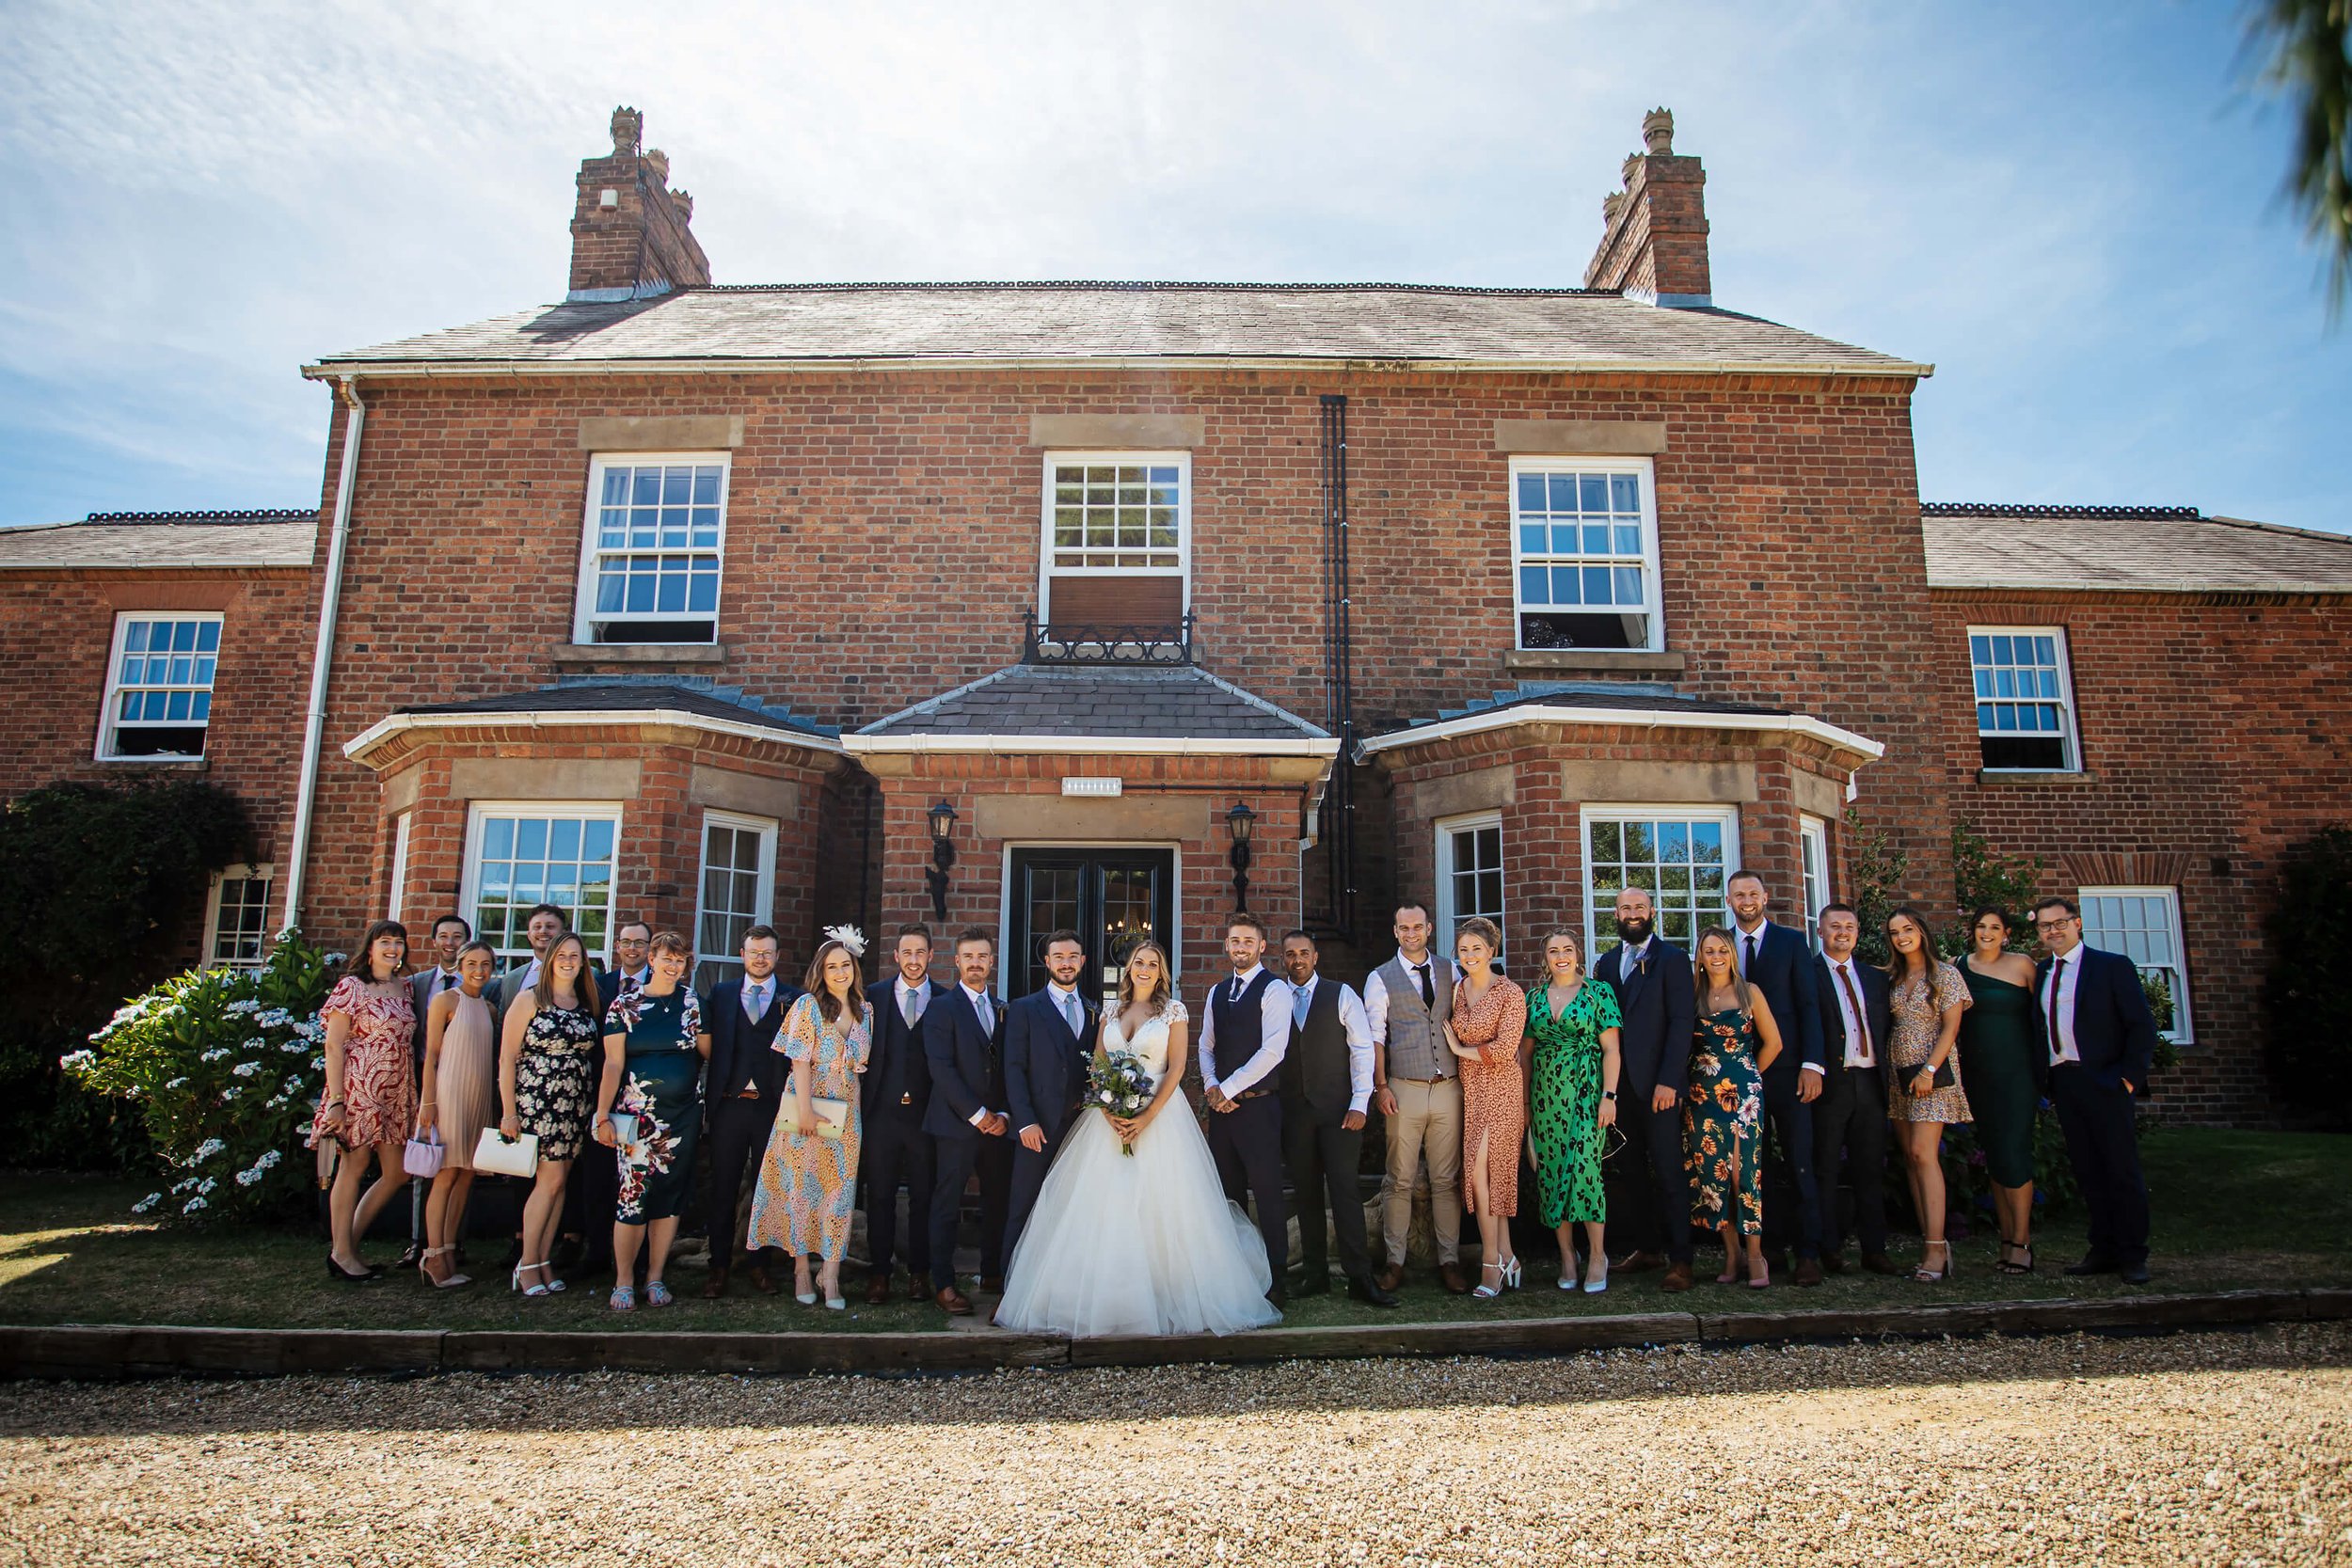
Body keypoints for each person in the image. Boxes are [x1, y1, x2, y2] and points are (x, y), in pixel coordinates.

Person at [994, 940, 1283, 1338]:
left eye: (1153, 963)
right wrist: (1110, 1106)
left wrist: (1145, 1116)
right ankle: (1098, 1297)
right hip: (1108, 1120)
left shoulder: (1173, 1011)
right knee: (1100, 1209)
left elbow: (1178, 1067)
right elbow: (1098, 1062)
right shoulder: (1109, 1010)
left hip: (1160, 1119)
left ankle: (1166, 1294)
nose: (1145, 969)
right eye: (1138, 963)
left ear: (1161, 972)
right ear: (1128, 969)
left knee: (1161, 1210)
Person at [2033, 895, 2158, 1285]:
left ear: (2078, 923)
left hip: (2105, 1080)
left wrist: (2128, 1079)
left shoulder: (2110, 967)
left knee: (2120, 1170)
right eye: (2045, 926)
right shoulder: (2041, 973)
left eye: (2060, 923)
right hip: (2065, 1082)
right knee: (2088, 1170)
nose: (2053, 931)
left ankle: (2133, 1254)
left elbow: (2141, 1025)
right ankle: (2102, 1248)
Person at [747, 931, 872, 1309]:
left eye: (845, 965)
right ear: (821, 971)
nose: (839, 972)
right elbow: (798, 1062)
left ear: (854, 969)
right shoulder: (807, 1006)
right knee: (800, 1193)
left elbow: (860, 1071)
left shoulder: (866, 1009)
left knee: (838, 1196)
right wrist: (804, 1111)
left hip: (847, 1116)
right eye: (832, 966)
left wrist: (858, 1122)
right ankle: (801, 1269)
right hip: (807, 1109)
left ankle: (830, 1275)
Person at [1276, 931, 1397, 1307]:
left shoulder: (1341, 994)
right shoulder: (1275, 997)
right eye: (1290, 954)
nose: (1297, 960)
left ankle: (1360, 1277)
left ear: (1316, 956)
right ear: (1283, 959)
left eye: (1304, 953)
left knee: (1345, 1192)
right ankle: (1315, 1275)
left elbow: (1361, 1048)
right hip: (1293, 1113)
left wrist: (1361, 1102)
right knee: (1306, 1193)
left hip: (1340, 1113)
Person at [593, 930, 709, 1311]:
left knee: (670, 1197)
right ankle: (624, 1280)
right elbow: (613, 1063)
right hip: (637, 1118)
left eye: (680, 960)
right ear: (652, 960)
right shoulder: (623, 1005)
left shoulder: (694, 1004)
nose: (673, 966)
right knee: (634, 1195)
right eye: (666, 958)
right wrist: (602, 1114)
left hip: (683, 1117)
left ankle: (655, 1277)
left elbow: (708, 1053)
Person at [1726, 870, 1828, 1286]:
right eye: (1738, 895)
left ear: (1765, 897)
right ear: (1729, 900)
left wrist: (1813, 1063)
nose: (1746, 900)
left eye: (1753, 893)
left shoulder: (1791, 942)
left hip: (1787, 1073)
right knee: (1753, 1167)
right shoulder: (1721, 945)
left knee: (1800, 1159)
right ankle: (1765, 1251)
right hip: (1736, 1078)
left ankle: (1808, 1252)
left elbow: (1808, 1005)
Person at [1594, 886, 1697, 1291]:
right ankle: (1647, 1247)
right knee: (1631, 1170)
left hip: (1659, 1086)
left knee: (1670, 1172)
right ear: (1615, 914)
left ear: (1652, 911)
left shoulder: (1671, 960)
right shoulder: (1606, 962)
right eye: (1625, 908)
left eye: (1639, 907)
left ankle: (1682, 1259)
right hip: (1620, 1089)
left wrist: (1669, 1079)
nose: (1632, 913)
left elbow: (1681, 1022)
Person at [1363, 902, 1470, 1296]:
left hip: (1448, 1087)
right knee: (1399, 1179)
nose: (1411, 933)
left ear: (1429, 928)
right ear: (1395, 932)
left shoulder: (1450, 969)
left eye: (1418, 927)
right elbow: (1375, 1037)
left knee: (1446, 1180)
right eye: (1404, 928)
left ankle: (1450, 1261)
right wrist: (1381, 1086)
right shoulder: (1380, 978)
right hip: (1403, 1086)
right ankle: (1395, 1261)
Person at [310, 920, 417, 1283]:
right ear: (370, 948)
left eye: (398, 942)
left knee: (397, 1172)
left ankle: (347, 1244)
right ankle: (342, 1252)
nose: (392, 948)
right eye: (385, 942)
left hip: (397, 1088)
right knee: (353, 1166)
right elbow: (333, 1045)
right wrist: (336, 1100)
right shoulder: (351, 988)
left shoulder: (406, 989)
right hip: (358, 1086)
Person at [496, 931, 600, 1297]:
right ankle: (525, 1264)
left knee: (560, 1185)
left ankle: (543, 1260)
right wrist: (508, 1112)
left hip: (576, 1103)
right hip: (539, 1100)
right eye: (563, 955)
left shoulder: (585, 1001)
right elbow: (507, 1057)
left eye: (576, 955)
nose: (570, 961)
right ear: (551, 959)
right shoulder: (530, 1000)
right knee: (549, 1182)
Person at [1200, 915, 1292, 1307]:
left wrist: (1229, 1087)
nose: (1240, 947)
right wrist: (1210, 1087)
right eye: (1234, 941)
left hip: (1259, 1108)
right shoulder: (1217, 991)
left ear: (1261, 946)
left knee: (1269, 1196)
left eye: (1248, 941)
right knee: (1229, 1195)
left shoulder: (1275, 990)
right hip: (1222, 1114)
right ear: (1226, 945)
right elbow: (1206, 1045)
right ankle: (1235, 1277)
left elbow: (1273, 1050)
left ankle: (1277, 1280)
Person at [700, 926, 798, 1298]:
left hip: (773, 1107)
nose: (760, 958)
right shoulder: (721, 995)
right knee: (723, 1187)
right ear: (742, 954)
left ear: (777, 956)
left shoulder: (794, 998)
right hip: (729, 1105)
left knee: (767, 1189)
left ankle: (761, 1266)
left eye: (767, 952)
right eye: (754, 951)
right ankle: (719, 1267)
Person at [1686, 927, 1785, 1287]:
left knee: (1745, 1174)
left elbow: (1774, 1042)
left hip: (1743, 1095)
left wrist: (1748, 1074)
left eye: (1722, 951)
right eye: (1709, 950)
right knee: (1714, 1175)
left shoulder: (1749, 992)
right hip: (1702, 1095)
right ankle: (1732, 1255)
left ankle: (1756, 1254)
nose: (1716, 957)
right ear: (1700, 956)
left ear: (1732, 955)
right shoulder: (1693, 995)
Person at [1525, 927, 1622, 1293]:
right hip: (1546, 1097)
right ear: (1545, 958)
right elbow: (1526, 1054)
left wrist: (1608, 1096)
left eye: (1567, 949)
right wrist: (1525, 1105)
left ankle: (1597, 1255)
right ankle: (1567, 1256)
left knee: (1586, 1173)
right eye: (1553, 951)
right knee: (1551, 1175)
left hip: (1586, 1094)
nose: (1561, 956)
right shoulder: (1533, 998)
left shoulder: (1599, 993)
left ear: (1578, 954)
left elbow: (1611, 1049)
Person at [923, 928, 1013, 1315]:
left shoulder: (1006, 1009)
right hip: (956, 1124)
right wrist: (978, 1116)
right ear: (956, 962)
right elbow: (941, 1069)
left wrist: (1005, 1115)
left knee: (999, 1201)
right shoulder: (941, 1008)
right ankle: (942, 1283)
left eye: (982, 956)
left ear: (991, 962)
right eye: (968, 957)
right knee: (947, 1202)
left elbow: (1012, 1067)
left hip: (999, 1127)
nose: (976, 963)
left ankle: (992, 1272)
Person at [1883, 905, 1972, 1282]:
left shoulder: (1945, 974)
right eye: (1893, 932)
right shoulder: (1895, 977)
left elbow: (1951, 1028)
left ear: (1921, 930)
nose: (1901, 936)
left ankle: (1938, 1246)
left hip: (1932, 1074)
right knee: (1909, 1156)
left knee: (1924, 1153)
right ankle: (1927, 1242)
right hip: (1898, 1076)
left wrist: (1929, 1070)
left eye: (1907, 928)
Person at [1811, 904, 1899, 1276]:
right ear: (1821, 932)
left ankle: (1874, 1250)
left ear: (1858, 933)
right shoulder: (1810, 974)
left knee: (1869, 1169)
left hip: (1871, 1081)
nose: (1842, 932)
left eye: (1849, 926)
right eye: (1835, 926)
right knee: (1826, 1168)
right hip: (1832, 1082)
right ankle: (1829, 1249)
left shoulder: (1875, 977)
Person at [1003, 929, 1099, 1266]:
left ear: (1083, 961)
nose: (1066, 963)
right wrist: (1025, 1120)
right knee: (1025, 1204)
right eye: (1059, 957)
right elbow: (1013, 1069)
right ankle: (1009, 1284)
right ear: (1047, 962)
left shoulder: (1093, 1010)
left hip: (1079, 1128)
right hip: (1037, 1127)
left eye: (1073, 956)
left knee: (1071, 1206)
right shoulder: (1024, 1008)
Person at [1959, 907, 2045, 1275]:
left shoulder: (2023, 965)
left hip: (2017, 1074)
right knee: (1994, 1153)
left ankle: (2023, 1241)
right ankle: (2005, 1239)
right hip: (1978, 1075)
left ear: (2006, 932)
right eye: (1981, 926)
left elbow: (2044, 1017)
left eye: (1995, 927)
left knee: (2014, 1151)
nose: (1987, 933)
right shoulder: (1957, 965)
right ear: (1973, 931)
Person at [1444, 916, 1527, 1300]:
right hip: (1472, 1092)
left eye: (1477, 948)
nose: (1470, 955)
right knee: (1485, 1178)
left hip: (1503, 1090)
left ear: (1492, 951)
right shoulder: (1459, 989)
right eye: (1463, 949)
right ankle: (1509, 1256)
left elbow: (1506, 1050)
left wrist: (1461, 1050)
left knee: (1485, 1176)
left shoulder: (1511, 992)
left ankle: (1491, 1262)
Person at [414, 938, 498, 1288]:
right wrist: (428, 1103)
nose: (479, 971)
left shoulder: (490, 1009)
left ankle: (449, 1249)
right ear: (460, 967)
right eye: (472, 965)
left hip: (479, 1095)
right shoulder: (445, 1001)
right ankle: (432, 1255)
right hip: (449, 1093)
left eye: (485, 965)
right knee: (445, 1174)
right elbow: (431, 1055)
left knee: (466, 1174)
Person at [861, 924, 938, 1304]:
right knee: (880, 1196)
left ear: (930, 956)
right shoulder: (872, 998)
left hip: (926, 1117)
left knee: (925, 1196)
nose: (913, 960)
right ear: (896, 956)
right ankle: (879, 1273)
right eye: (906, 953)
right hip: (881, 1116)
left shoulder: (943, 999)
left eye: (920, 952)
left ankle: (919, 1274)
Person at [398, 913, 472, 1275]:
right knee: (425, 1163)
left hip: (467, 1086)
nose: (450, 942)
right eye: (443, 936)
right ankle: (420, 1242)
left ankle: (452, 1242)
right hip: (426, 1083)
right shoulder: (416, 984)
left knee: (462, 1167)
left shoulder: (481, 985)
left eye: (457, 936)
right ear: (433, 941)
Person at [491, 904, 572, 1028]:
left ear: (564, 933)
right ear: (529, 935)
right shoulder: (511, 980)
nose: (543, 931)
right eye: (537, 927)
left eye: (550, 926)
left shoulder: (589, 975)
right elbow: (503, 1027)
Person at [608, 922, 654, 996]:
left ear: (650, 948)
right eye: (626, 942)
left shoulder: (664, 987)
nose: (632, 948)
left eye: (639, 943)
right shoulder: (599, 985)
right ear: (618, 947)